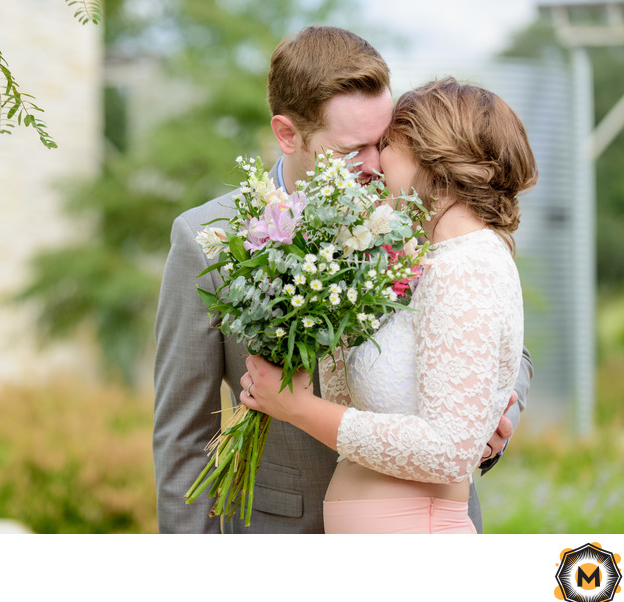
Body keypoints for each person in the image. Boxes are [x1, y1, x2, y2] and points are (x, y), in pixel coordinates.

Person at [153, 25, 533, 534]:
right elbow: (184, 433)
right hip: (286, 532)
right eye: (354, 150)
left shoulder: (418, 211)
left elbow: (500, 341)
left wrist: (493, 414)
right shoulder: (207, 240)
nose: (378, 166)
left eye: (385, 141)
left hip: (419, 520)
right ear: (288, 134)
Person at [239, 76, 538, 533]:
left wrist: (298, 408)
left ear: (431, 157)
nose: (375, 162)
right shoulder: (435, 256)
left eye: (387, 143)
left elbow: (448, 450)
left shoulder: (465, 266)